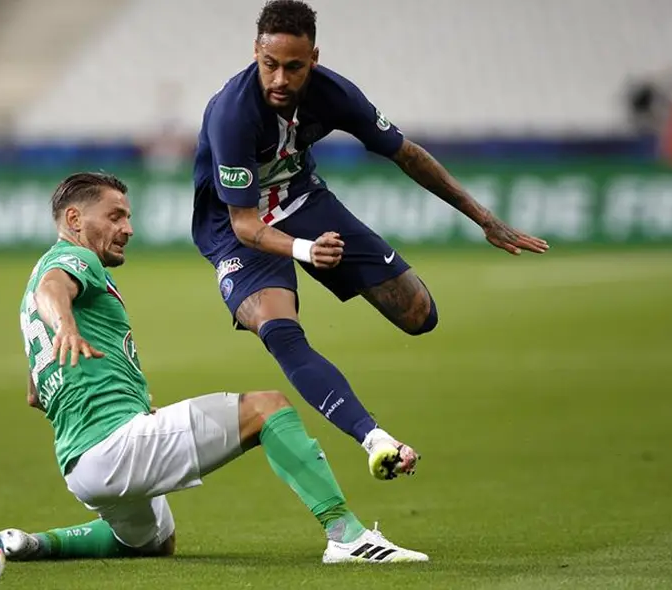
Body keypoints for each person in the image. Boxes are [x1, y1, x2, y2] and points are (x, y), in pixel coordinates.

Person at [190, 0, 549, 480]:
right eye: (269, 64)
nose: (279, 79)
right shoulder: (232, 115)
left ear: (313, 59)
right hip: (238, 226)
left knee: (419, 315)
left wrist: (483, 218)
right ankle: (374, 439)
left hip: (300, 198)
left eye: (293, 67)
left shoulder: (334, 93)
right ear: (255, 51)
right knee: (281, 333)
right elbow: (246, 225)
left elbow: (406, 154)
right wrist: (304, 251)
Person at [1, 172, 429, 564]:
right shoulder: (72, 262)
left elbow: (35, 394)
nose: (127, 228)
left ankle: (34, 543)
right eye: (114, 216)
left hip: (79, 467)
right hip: (116, 448)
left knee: (152, 543)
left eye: (128, 217)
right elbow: (52, 288)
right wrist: (67, 326)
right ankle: (348, 538)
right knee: (267, 409)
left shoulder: (28, 299)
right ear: (74, 219)